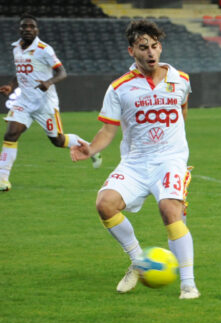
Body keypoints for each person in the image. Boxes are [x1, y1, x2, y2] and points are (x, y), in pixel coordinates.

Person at [70, 20, 199, 299]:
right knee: (105, 204)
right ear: (132, 51)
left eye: (154, 46)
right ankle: (140, 262)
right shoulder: (119, 88)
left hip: (170, 160)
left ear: (160, 47)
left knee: (169, 209)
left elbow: (182, 111)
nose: (151, 53)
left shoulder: (181, 80)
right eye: (143, 47)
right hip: (136, 162)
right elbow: (108, 130)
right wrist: (91, 149)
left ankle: (188, 284)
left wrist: (175, 149)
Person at [0, 14, 101, 192]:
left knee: (58, 140)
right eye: (24, 27)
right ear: (20, 29)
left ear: (37, 30)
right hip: (24, 101)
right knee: (10, 135)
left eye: (32, 27)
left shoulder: (44, 49)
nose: (28, 29)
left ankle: (89, 147)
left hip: (44, 103)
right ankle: (3, 179)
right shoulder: (16, 48)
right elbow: (21, 72)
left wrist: (49, 82)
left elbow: (62, 73)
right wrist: (11, 85)